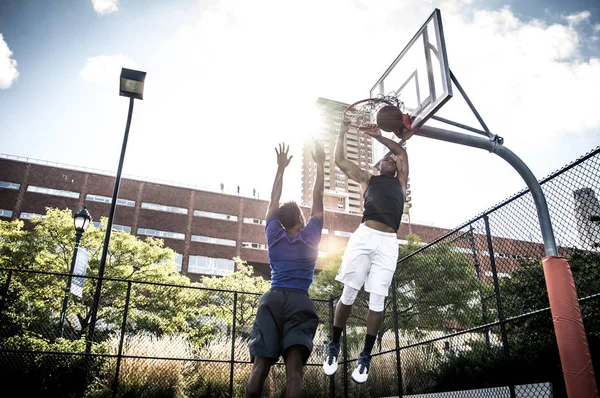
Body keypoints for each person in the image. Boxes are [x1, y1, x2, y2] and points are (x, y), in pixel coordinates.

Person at [322, 118, 409, 384]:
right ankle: (334, 345)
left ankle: (365, 357)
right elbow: (339, 160)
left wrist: (378, 135)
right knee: (349, 292)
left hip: (388, 242)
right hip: (365, 236)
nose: (391, 160)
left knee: (378, 299)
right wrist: (341, 132)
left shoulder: (401, 181)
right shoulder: (367, 179)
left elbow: (401, 152)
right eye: (386, 159)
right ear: (377, 166)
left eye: (392, 159)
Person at [246, 142, 326, 398]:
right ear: (301, 220)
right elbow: (318, 199)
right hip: (299, 302)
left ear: (281, 221)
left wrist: (280, 168)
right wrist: (321, 164)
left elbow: (274, 199)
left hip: (273, 299)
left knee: (259, 370)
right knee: (294, 375)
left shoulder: (273, 233)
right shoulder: (311, 235)